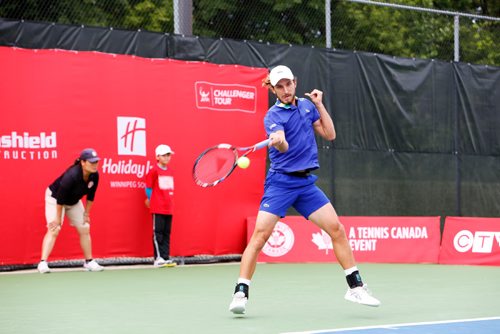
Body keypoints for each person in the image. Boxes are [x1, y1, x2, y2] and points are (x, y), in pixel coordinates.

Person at [229, 65, 380, 314]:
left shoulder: (308, 106)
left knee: (337, 230)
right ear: (274, 90)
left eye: (288, 84)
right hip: (280, 183)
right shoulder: (273, 116)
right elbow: (284, 146)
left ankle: (355, 287)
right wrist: (279, 140)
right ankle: (240, 293)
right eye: (280, 86)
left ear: (295, 83)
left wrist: (319, 105)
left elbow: (330, 134)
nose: (285, 90)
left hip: (305, 184)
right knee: (259, 238)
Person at [37, 148, 104, 273]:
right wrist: (57, 219)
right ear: (83, 162)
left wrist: (86, 213)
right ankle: (42, 263)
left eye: (96, 162)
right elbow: (60, 198)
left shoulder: (95, 175)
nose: (95, 165)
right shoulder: (71, 175)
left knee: (85, 227)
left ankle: (89, 262)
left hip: (73, 201)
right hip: (55, 199)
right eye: (91, 162)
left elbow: (91, 195)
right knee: (54, 229)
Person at [144, 144, 177, 268]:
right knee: (157, 233)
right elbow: (148, 187)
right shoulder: (153, 171)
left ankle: (165, 257)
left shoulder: (170, 171)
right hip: (158, 207)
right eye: (164, 155)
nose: (167, 157)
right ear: (157, 157)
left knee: (166, 233)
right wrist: (150, 199)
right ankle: (158, 258)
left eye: (169, 155)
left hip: (169, 208)